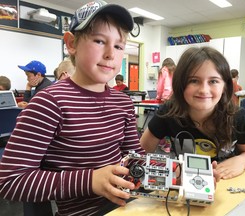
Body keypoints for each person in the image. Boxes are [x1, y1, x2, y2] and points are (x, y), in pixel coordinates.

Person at [0, 1, 144, 215]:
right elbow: (10, 181)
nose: (110, 54)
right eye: (99, 41)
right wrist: (90, 180)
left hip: (131, 205)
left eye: (118, 46)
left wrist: (177, 174)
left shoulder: (122, 102)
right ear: (71, 43)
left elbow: (136, 156)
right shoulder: (49, 103)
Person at [140, 46, 245, 180]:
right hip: (184, 186)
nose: (204, 90)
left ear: (224, 86)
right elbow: (141, 153)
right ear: (180, 83)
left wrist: (241, 161)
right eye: (194, 81)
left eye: (213, 81)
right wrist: (172, 170)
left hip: (227, 185)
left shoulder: (237, 116)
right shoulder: (168, 112)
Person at [155, 58, 176, 153]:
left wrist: (158, 97)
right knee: (173, 121)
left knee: (163, 122)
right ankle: (172, 143)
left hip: (166, 99)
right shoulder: (177, 70)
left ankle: (165, 144)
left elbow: (160, 86)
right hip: (176, 99)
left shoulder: (163, 70)